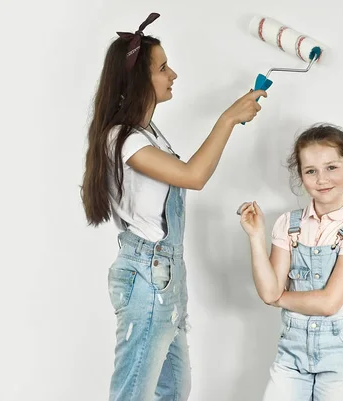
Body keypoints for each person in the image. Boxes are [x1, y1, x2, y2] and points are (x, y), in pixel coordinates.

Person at [80, 12, 267, 401]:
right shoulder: (125, 139)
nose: (173, 74)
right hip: (148, 277)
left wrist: (230, 120)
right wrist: (229, 118)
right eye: (163, 68)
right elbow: (193, 176)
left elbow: (189, 173)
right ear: (138, 81)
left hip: (166, 276)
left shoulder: (147, 131)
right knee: (133, 393)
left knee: (174, 392)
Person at [238, 123, 343, 400]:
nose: (322, 179)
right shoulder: (288, 224)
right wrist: (256, 236)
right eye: (311, 171)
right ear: (301, 176)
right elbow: (268, 290)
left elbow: (328, 303)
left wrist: (279, 298)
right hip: (292, 350)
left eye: (332, 168)